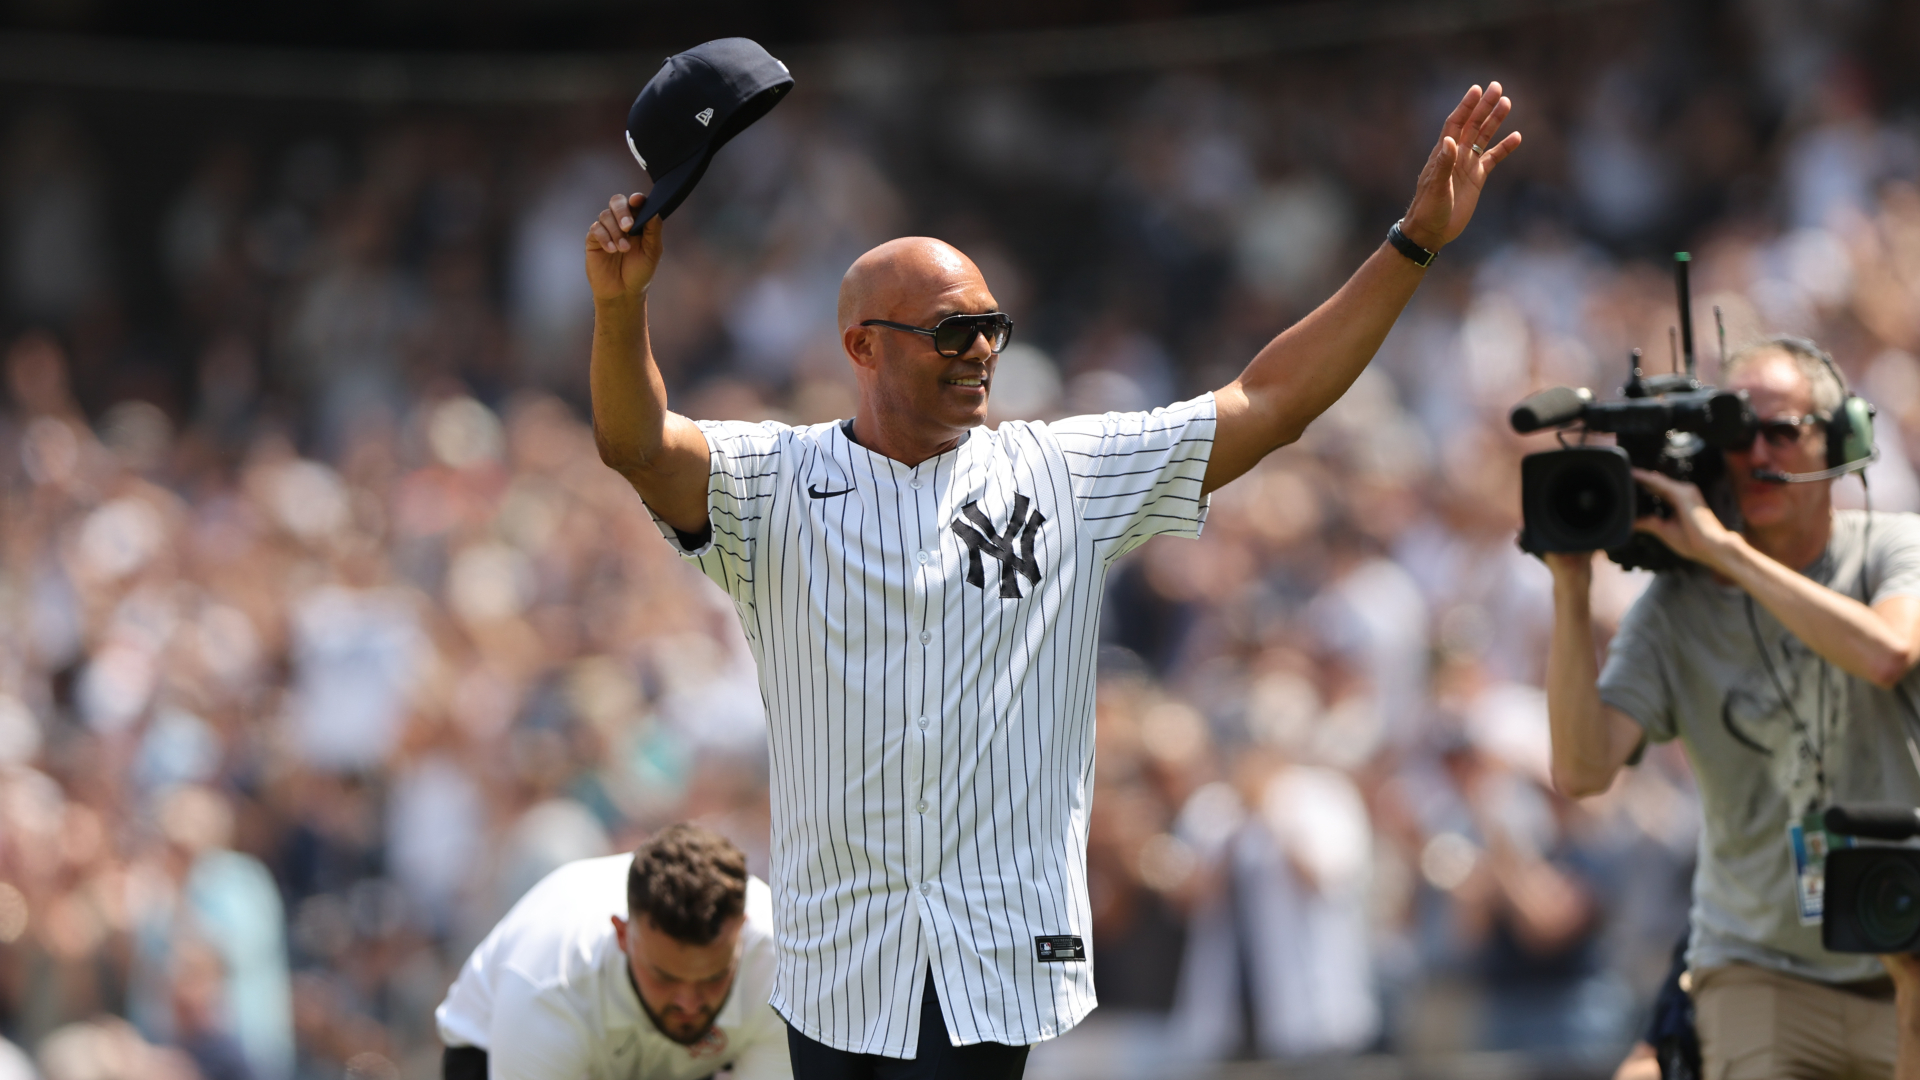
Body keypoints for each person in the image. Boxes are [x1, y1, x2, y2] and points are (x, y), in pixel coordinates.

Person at [584, 82, 1520, 1076]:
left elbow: (1271, 400)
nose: (982, 349)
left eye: (993, 325)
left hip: (994, 960)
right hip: (839, 965)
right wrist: (623, 305)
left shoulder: (1065, 473)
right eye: (951, 332)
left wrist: (1412, 244)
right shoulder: (772, 483)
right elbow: (637, 445)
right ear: (862, 347)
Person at [1544, 336, 1920, 1078]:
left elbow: (1887, 654)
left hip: (1908, 946)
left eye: (1781, 430)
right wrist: (1571, 585)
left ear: (1840, 438)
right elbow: (1583, 771)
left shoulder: (1894, 547)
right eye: (1735, 433)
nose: (1755, 453)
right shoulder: (1673, 607)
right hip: (1758, 965)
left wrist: (1727, 555)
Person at [435, 823, 789, 1080]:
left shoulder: (782, 968)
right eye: (664, 976)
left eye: (714, 977)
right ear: (622, 935)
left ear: (742, 933)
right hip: (490, 1052)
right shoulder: (548, 986)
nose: (689, 1003)